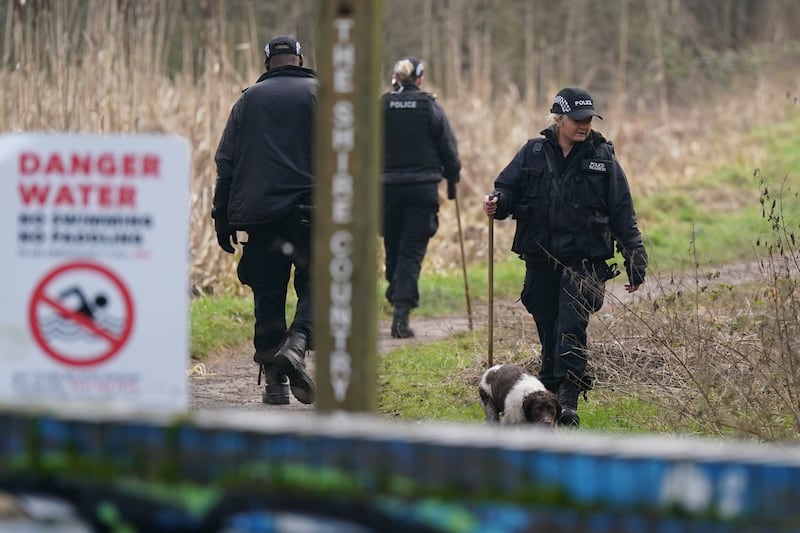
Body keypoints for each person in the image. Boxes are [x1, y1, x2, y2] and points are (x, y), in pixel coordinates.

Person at [482, 87, 648, 427]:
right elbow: (507, 189)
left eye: (588, 120)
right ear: (558, 119)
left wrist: (634, 258)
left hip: (584, 259)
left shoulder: (603, 158)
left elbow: (622, 212)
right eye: (577, 119)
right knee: (547, 324)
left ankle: (568, 401)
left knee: (571, 327)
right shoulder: (532, 152)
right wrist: (498, 202)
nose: (584, 126)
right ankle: (545, 397)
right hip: (541, 256)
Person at [212, 35, 317, 405]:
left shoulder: (247, 100)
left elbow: (226, 162)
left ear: (268, 63)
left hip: (260, 216)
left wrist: (220, 216)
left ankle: (276, 385)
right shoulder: (324, 96)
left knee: (268, 293)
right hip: (314, 211)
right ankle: (298, 343)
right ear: (300, 60)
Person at [381, 56, 461, 338]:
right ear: (420, 80)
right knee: (411, 253)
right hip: (422, 191)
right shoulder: (430, 107)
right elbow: (448, 146)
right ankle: (401, 313)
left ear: (395, 78)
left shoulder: (381, 106)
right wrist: (453, 177)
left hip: (386, 191)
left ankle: (397, 292)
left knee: (393, 248)